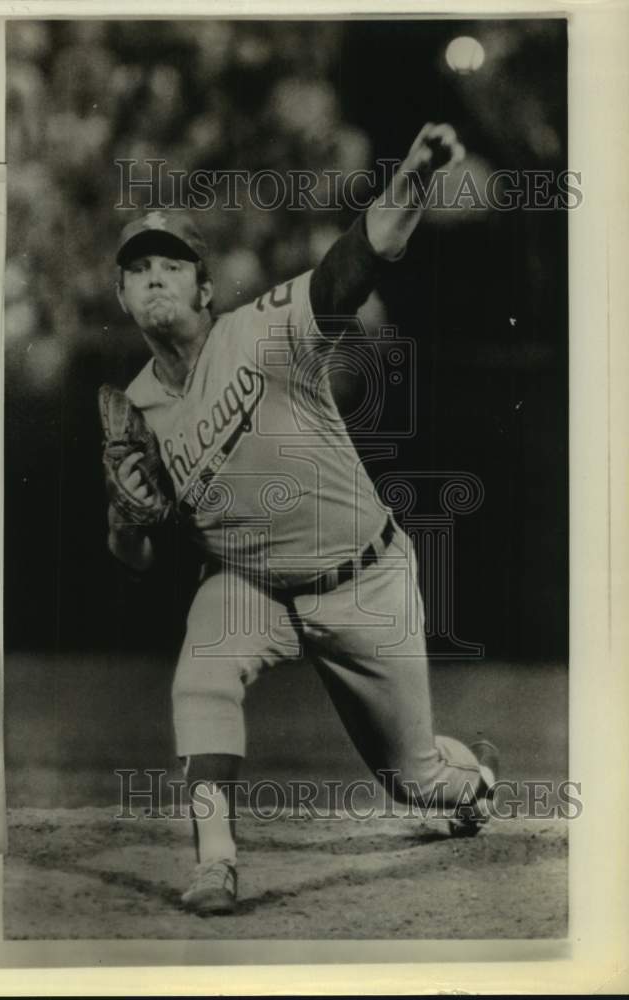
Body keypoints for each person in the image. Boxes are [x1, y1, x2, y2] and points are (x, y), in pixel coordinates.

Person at [106, 123, 499, 916]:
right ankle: (216, 863)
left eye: (170, 267)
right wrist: (128, 520)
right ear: (121, 297)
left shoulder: (259, 332)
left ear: (205, 289)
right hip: (250, 584)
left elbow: (350, 266)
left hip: (362, 579)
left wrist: (414, 176)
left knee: (415, 779)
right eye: (137, 271)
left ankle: (475, 778)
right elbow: (135, 555)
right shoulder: (135, 410)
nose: (153, 280)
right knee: (202, 673)